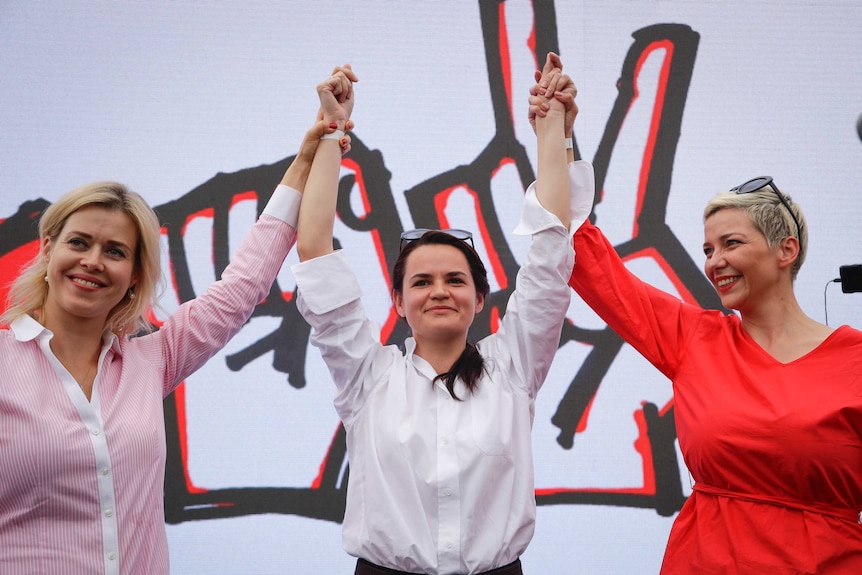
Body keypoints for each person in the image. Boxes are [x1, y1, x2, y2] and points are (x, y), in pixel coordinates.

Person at [0, 68, 355, 575]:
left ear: (134, 274)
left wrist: (309, 155)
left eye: (115, 251)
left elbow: (242, 286)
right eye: (79, 242)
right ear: (48, 248)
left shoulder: (150, 359)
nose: (93, 261)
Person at [531, 65, 862, 571]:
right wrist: (556, 134)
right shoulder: (695, 339)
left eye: (732, 243)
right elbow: (584, 256)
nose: (714, 262)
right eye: (708, 249)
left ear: (786, 250)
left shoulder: (854, 361)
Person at [290, 54, 592, 575]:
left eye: (456, 280)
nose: (439, 292)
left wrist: (552, 129)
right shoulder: (368, 376)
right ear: (398, 302)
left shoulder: (513, 366)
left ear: (481, 298)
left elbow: (550, 253)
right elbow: (315, 251)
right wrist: (329, 135)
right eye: (421, 282)